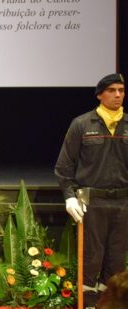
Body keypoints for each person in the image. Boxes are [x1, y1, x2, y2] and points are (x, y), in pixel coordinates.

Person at [55, 73, 128, 309]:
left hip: (123, 203)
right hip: (91, 202)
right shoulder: (82, 124)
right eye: (112, 90)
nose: (118, 95)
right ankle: (87, 305)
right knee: (91, 261)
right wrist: (69, 197)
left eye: (121, 90)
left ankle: (111, 305)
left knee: (116, 262)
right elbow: (64, 166)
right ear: (100, 95)